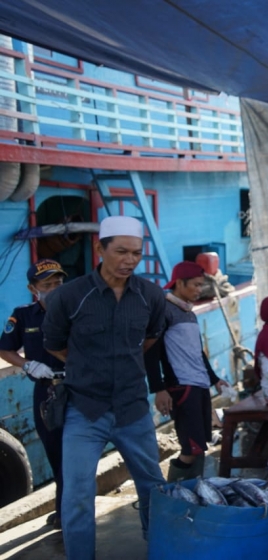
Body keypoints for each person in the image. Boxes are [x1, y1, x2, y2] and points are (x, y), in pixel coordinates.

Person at [42, 216, 167, 559]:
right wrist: (88, 366)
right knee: (77, 494)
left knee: (154, 486)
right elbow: (54, 344)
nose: (130, 260)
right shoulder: (69, 297)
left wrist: (120, 361)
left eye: (137, 254)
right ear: (100, 249)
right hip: (84, 410)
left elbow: (151, 337)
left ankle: (158, 547)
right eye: (122, 251)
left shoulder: (151, 296)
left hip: (132, 408)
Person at [144, 261, 230, 482]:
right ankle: (172, 492)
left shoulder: (189, 313)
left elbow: (197, 353)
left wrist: (215, 379)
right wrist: (158, 389)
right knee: (190, 449)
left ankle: (194, 495)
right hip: (182, 386)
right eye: (196, 285)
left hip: (199, 384)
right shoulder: (163, 310)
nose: (199, 290)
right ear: (180, 283)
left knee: (200, 446)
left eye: (201, 285)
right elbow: (151, 351)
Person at [0, 259, 68, 530]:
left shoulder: (75, 310)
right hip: (47, 393)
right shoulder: (24, 315)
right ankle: (63, 511)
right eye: (46, 285)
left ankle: (67, 513)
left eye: (58, 284)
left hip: (78, 389)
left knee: (75, 454)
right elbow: (5, 349)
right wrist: (27, 364)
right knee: (55, 453)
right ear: (32, 288)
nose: (53, 289)